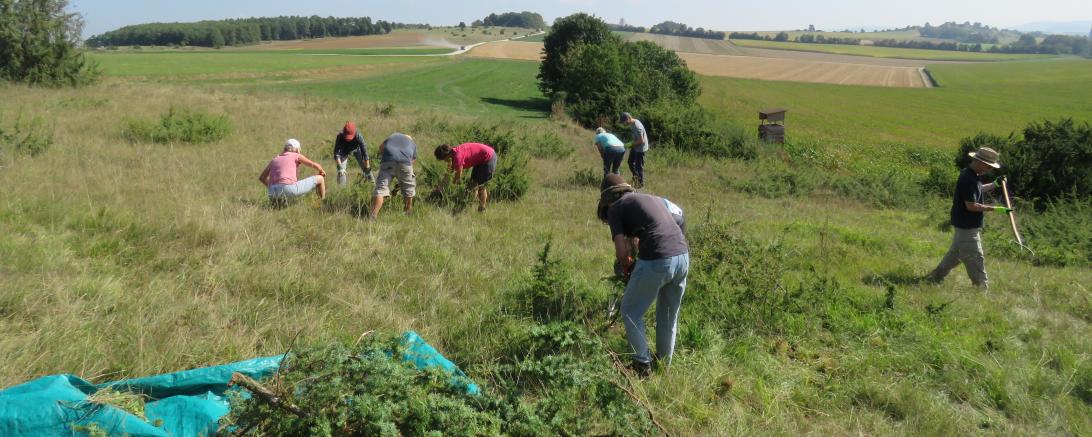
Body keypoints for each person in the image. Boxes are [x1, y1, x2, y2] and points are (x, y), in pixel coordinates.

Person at [598, 174, 689, 377]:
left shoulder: (615, 208)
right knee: (668, 315)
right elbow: (674, 222)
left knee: (630, 311)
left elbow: (622, 253)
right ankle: (663, 365)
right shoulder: (652, 199)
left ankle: (641, 365)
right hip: (683, 256)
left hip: (658, 257)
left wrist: (627, 269)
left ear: (608, 199)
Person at [926, 147, 1011, 289]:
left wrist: (994, 184)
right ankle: (981, 289)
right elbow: (971, 206)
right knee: (975, 257)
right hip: (967, 226)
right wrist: (995, 209)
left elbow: (977, 189)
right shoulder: (969, 178)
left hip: (964, 224)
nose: (989, 170)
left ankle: (935, 277)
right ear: (980, 162)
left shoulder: (970, 174)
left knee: (956, 254)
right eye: (989, 166)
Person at [259, 139, 327, 204]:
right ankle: (322, 203)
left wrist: (273, 187)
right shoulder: (296, 155)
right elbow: (314, 165)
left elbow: (262, 178)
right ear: (296, 149)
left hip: (272, 192)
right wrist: (321, 171)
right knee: (320, 179)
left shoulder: (275, 159)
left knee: (281, 206)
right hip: (288, 189)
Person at [434, 142, 497, 212]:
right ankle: (467, 206)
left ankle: (481, 208)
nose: (444, 161)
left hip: (489, 158)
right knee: (473, 184)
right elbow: (448, 174)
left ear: (446, 156)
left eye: (444, 159)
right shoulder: (452, 154)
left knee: (480, 186)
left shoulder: (458, 157)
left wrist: (452, 187)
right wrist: (440, 187)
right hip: (481, 159)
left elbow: (458, 177)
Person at [370, 132, 417, 218]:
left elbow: (381, 148)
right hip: (405, 163)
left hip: (388, 161)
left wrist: (387, 158)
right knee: (408, 189)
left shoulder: (393, 136)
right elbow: (412, 161)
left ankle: (373, 216)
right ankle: (407, 213)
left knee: (381, 189)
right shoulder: (412, 144)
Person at [620, 112, 649, 187]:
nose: (623, 124)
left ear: (628, 119)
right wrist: (631, 144)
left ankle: (640, 184)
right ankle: (636, 177)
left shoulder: (637, 126)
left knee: (639, 166)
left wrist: (630, 144)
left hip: (641, 148)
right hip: (635, 146)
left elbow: (641, 141)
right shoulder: (632, 123)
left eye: (623, 122)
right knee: (630, 162)